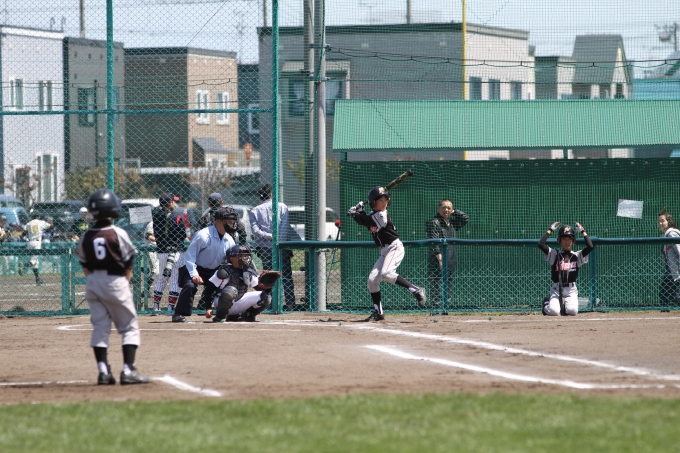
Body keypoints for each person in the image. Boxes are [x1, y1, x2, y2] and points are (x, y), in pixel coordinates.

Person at [74, 188, 149, 385]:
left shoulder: (86, 235)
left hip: (93, 282)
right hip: (115, 281)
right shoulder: (117, 233)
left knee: (100, 327)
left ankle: (103, 372)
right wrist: (123, 284)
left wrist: (95, 282)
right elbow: (128, 263)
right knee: (129, 326)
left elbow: (85, 265)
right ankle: (128, 371)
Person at [347, 186, 427, 321]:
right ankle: (378, 313)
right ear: (373, 202)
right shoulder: (374, 215)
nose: (385, 202)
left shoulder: (381, 215)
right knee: (372, 281)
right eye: (381, 200)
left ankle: (416, 290)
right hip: (385, 251)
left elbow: (364, 220)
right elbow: (367, 221)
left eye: (386, 200)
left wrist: (355, 214)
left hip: (394, 247)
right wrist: (360, 211)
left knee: (387, 273)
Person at [172, 207, 236, 323]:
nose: (231, 224)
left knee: (229, 286)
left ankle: (224, 313)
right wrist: (194, 274)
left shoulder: (230, 240)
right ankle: (179, 314)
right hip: (196, 268)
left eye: (232, 221)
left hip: (213, 270)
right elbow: (190, 256)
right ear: (218, 221)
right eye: (228, 221)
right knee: (190, 286)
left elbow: (229, 261)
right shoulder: (203, 235)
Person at [249, 184, 296, 310]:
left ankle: (269, 302)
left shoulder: (255, 210)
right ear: (271, 194)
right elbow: (284, 227)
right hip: (282, 246)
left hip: (265, 246)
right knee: (286, 275)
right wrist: (279, 240)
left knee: (268, 276)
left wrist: (269, 236)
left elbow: (255, 230)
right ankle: (290, 303)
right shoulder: (282, 206)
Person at [196, 205, 246, 312]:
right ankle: (206, 305)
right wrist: (241, 245)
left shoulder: (207, 216)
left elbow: (197, 228)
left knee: (220, 279)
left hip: (225, 250)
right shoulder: (217, 217)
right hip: (221, 252)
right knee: (218, 279)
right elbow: (242, 232)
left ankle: (204, 305)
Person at [538, 222, 594, 316]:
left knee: (572, 311)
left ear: (573, 240)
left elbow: (590, 246)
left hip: (571, 289)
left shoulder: (577, 255)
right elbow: (541, 244)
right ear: (559, 240)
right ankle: (546, 303)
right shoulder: (554, 254)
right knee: (553, 311)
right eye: (564, 238)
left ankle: (564, 307)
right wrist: (550, 230)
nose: (567, 241)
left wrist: (582, 231)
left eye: (569, 239)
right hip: (556, 289)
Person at [209, 245, 273, 323]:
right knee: (230, 291)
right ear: (232, 259)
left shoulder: (249, 272)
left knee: (266, 297)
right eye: (241, 256)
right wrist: (208, 308)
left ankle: (248, 315)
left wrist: (266, 284)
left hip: (239, 303)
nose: (245, 258)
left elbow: (261, 290)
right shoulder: (224, 271)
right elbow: (209, 290)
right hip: (221, 304)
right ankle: (220, 316)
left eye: (246, 256)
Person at [425, 199, 469, 311]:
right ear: (438, 208)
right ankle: (437, 309)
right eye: (444, 207)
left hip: (450, 258)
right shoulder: (434, 223)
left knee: (448, 283)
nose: (446, 210)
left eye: (449, 208)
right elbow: (433, 242)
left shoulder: (451, 223)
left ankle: (445, 309)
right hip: (437, 260)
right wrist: (440, 259)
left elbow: (465, 219)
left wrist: (454, 211)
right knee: (437, 283)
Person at [151, 192, 187, 314]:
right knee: (174, 280)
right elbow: (182, 234)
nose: (174, 203)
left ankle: (156, 307)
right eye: (173, 201)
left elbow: (156, 233)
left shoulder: (156, 216)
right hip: (175, 251)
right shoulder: (177, 216)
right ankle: (170, 308)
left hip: (162, 251)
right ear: (170, 202)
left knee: (161, 278)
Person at [20, 213, 52, 285]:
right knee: (33, 261)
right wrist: (50, 220)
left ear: (32, 217)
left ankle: (37, 279)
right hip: (37, 243)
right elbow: (49, 226)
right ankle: (25, 265)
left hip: (30, 242)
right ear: (39, 216)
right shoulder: (41, 222)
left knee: (35, 262)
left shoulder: (29, 223)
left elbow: (24, 230)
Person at [658, 209, 680, 308]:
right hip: (669, 270)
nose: (660, 223)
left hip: (676, 270)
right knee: (663, 293)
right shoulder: (664, 236)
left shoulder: (672, 234)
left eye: (663, 221)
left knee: (675, 297)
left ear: (669, 222)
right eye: (659, 221)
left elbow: (679, 250)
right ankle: (664, 314)